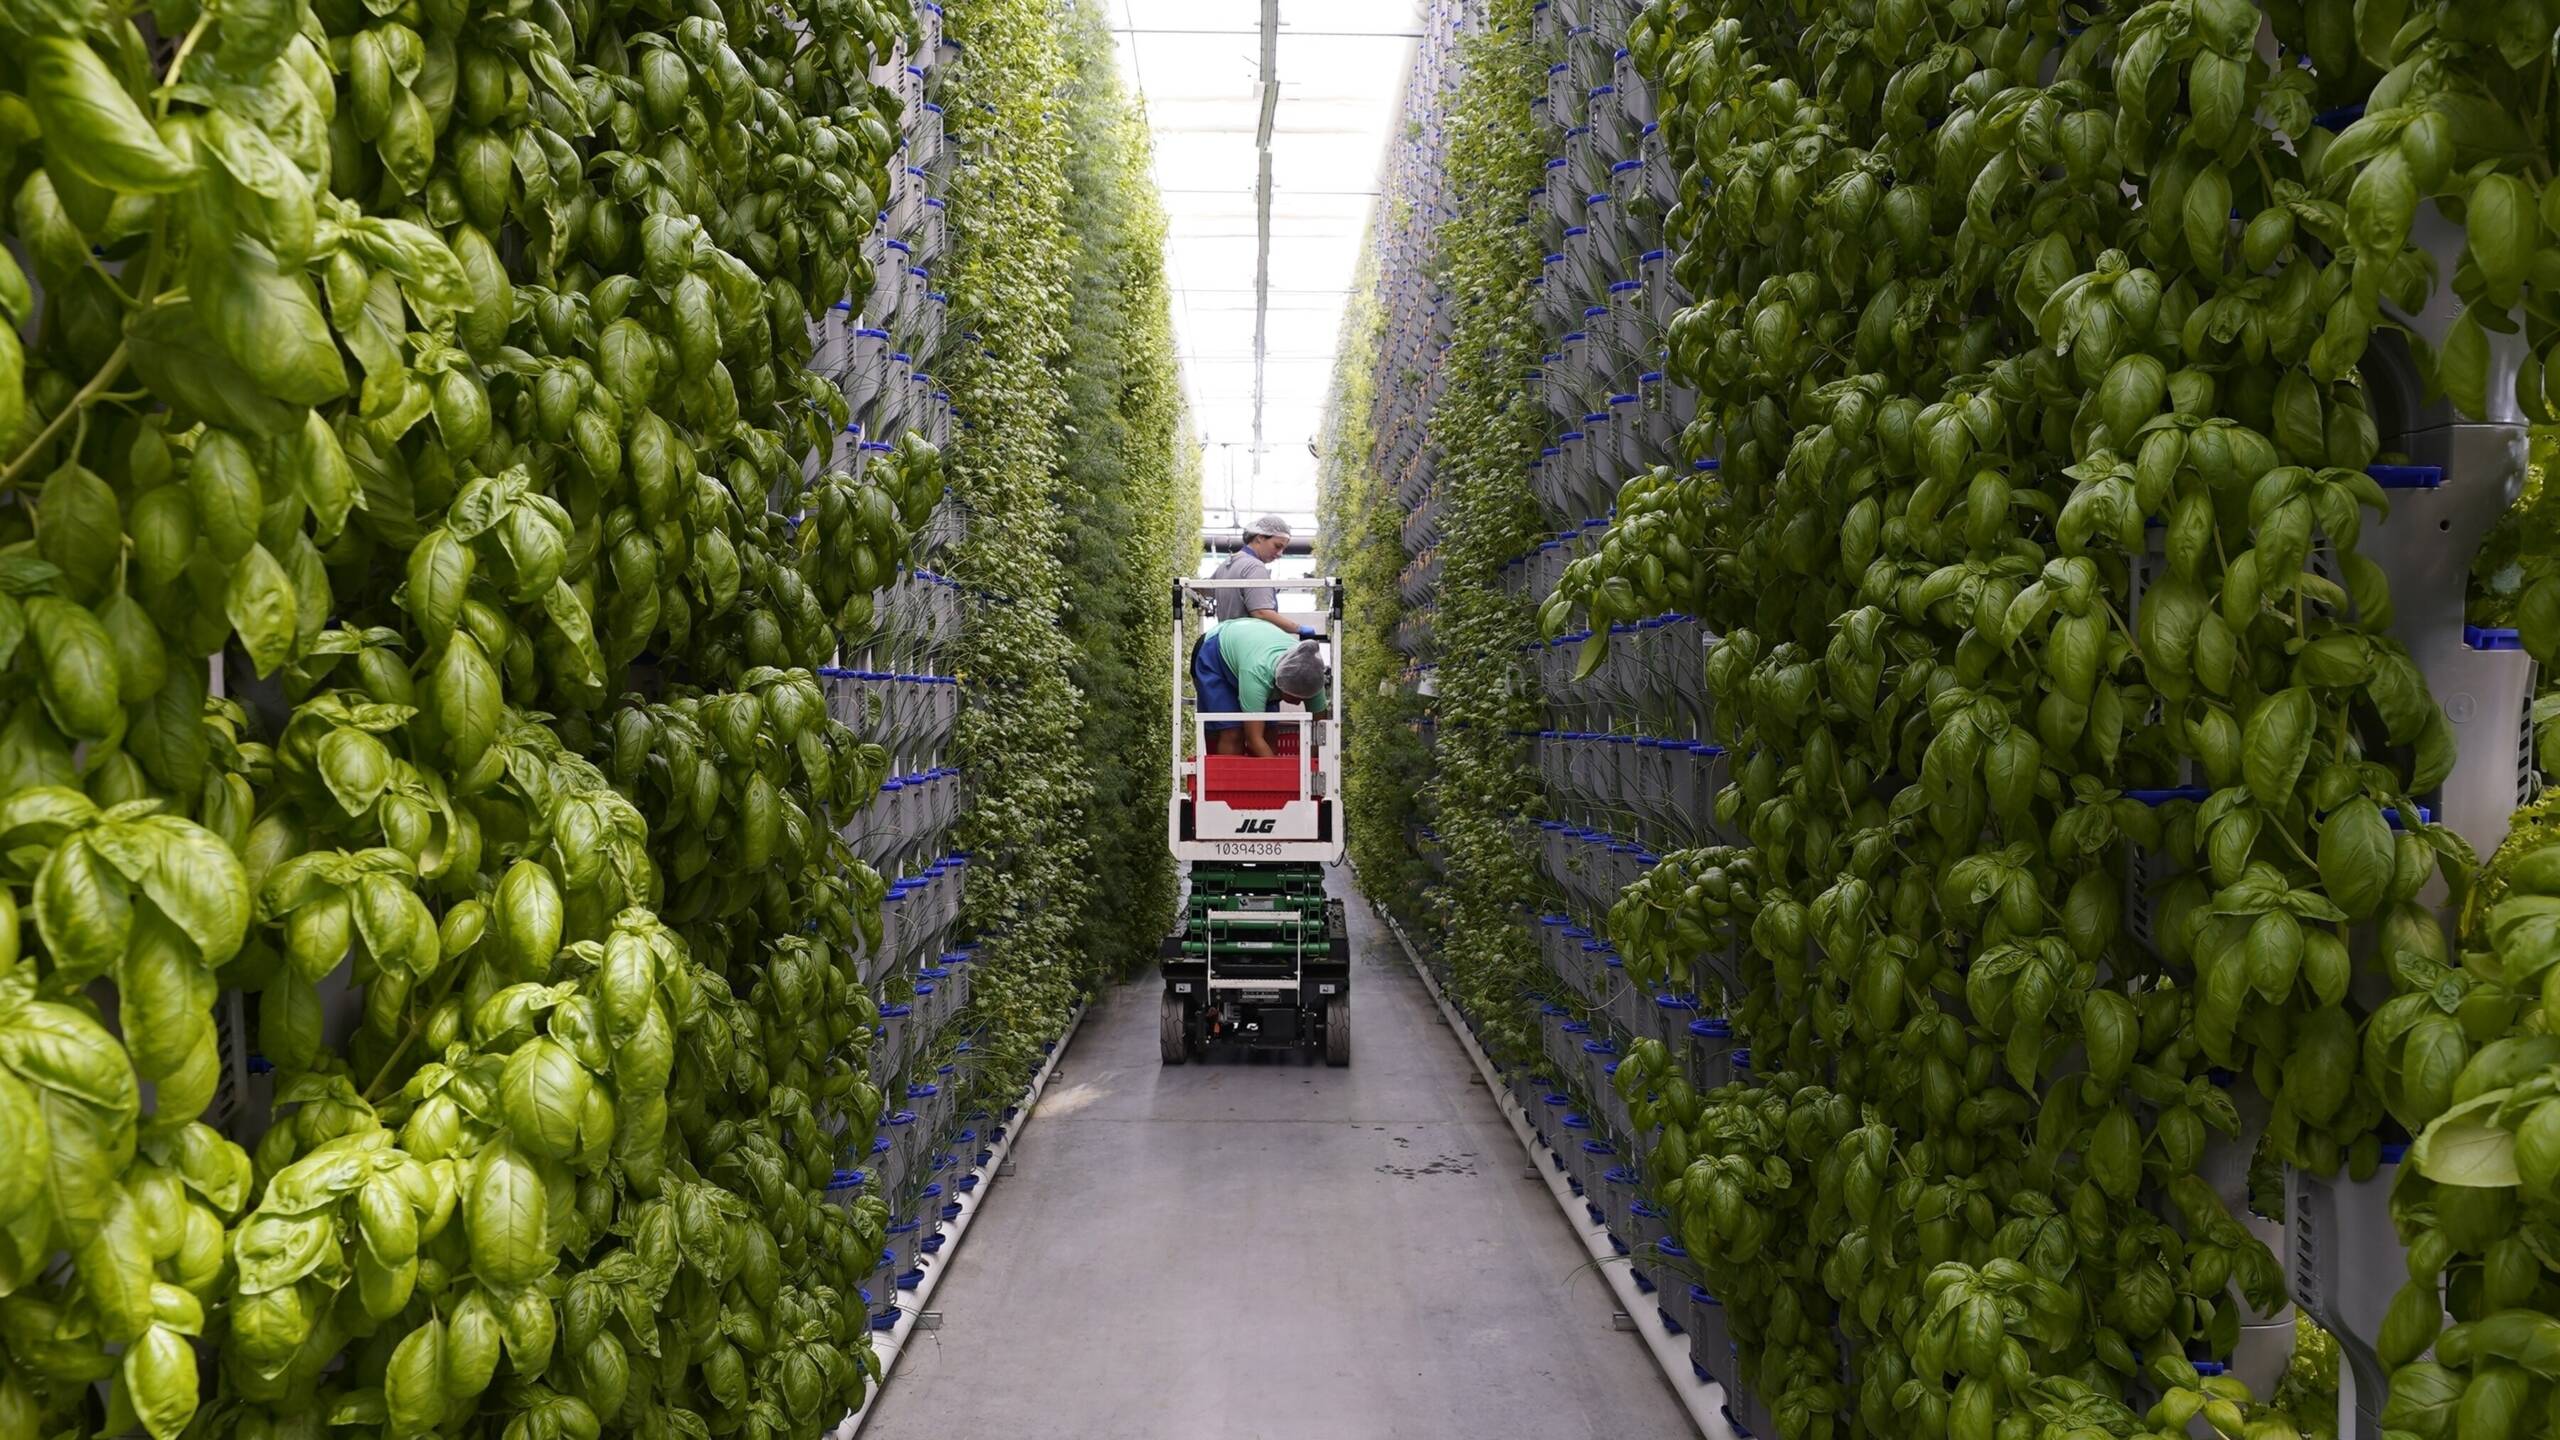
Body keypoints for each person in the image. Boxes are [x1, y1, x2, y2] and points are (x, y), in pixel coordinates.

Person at [1192, 624, 1329, 757]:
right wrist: (1282, 776)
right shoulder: (1258, 674)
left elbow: (1319, 738)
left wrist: (1308, 770)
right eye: (1295, 696)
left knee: (1269, 733)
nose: (1299, 702)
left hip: (1253, 648)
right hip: (1217, 651)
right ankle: (1226, 779)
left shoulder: (1313, 678)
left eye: (1304, 697)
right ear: (1280, 682)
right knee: (1232, 732)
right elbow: (1253, 740)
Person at [1208, 515, 1294, 632]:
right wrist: (1297, 628)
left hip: (1227, 641)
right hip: (1249, 642)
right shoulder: (1255, 567)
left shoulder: (1227, 563)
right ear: (1260, 538)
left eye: (1283, 549)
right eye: (1277, 546)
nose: (1280, 554)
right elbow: (1261, 612)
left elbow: (1206, 590)